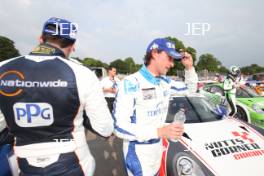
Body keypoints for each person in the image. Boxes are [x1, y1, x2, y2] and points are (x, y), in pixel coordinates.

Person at [0, 17, 113, 176]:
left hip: (23, 163)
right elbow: (105, 129)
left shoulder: (3, 67)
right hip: (74, 163)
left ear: (40, 39)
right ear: (73, 46)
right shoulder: (82, 74)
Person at [112, 38, 198, 176]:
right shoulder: (131, 82)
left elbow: (191, 89)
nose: (171, 64)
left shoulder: (165, 82)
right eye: (169, 58)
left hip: (157, 149)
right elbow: (119, 126)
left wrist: (189, 67)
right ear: (154, 53)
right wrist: (159, 132)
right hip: (138, 152)